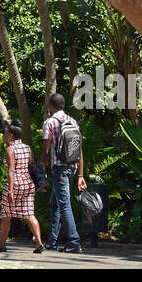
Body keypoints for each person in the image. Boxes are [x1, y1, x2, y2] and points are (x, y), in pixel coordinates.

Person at [41, 93, 87, 253]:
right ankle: (52, 241)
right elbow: (79, 150)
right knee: (55, 203)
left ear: (50, 106)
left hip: (59, 169)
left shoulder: (50, 122)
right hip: (73, 168)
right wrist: (80, 175)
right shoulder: (73, 122)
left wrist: (41, 174)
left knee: (64, 203)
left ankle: (74, 242)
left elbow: (46, 151)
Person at [0, 123, 45, 253]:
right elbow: (31, 165)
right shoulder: (27, 148)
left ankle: (2, 244)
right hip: (28, 184)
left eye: (5, 133)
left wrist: (10, 191)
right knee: (29, 214)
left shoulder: (10, 149)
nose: (3, 135)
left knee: (6, 215)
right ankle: (39, 243)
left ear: (11, 135)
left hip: (15, 184)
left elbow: (11, 171)